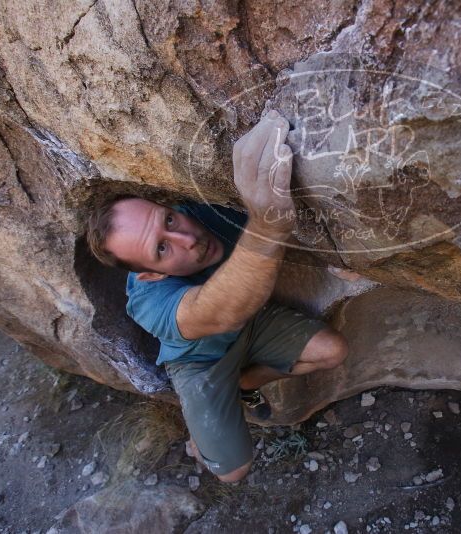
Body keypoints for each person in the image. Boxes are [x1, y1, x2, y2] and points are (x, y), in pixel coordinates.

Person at [85, 109, 349, 483]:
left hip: (251, 323)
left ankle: (247, 383)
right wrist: (268, 224)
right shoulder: (147, 301)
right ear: (148, 273)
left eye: (169, 220)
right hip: (202, 362)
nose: (188, 239)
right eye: (162, 249)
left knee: (332, 351)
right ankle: (200, 439)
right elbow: (216, 312)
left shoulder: (197, 214)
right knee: (233, 473)